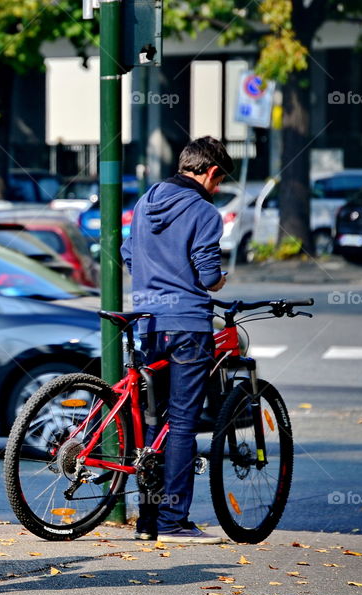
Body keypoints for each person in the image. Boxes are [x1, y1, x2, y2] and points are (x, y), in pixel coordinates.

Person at [120, 135, 233, 544]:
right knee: (183, 422)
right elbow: (207, 275)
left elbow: (126, 251)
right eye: (219, 181)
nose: (217, 190)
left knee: (154, 420)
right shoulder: (204, 211)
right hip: (187, 324)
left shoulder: (147, 200)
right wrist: (219, 280)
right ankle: (172, 522)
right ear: (211, 172)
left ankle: (147, 521)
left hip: (148, 322)